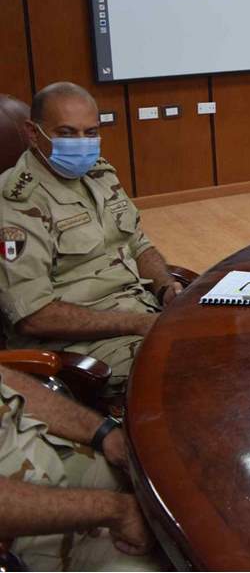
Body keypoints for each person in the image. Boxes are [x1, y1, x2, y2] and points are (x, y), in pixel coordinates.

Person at [0, 83, 182, 395]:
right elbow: (34, 316)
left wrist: (166, 286)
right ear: (33, 132)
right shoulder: (16, 204)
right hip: (79, 346)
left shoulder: (100, 175)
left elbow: (137, 244)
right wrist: (135, 323)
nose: (82, 144)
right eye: (67, 133)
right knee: (192, 369)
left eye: (91, 132)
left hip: (145, 314)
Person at [0, 365, 160, 571]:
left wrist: (103, 432)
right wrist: (117, 510)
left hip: (57, 455)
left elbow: (7, 380)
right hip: (24, 534)